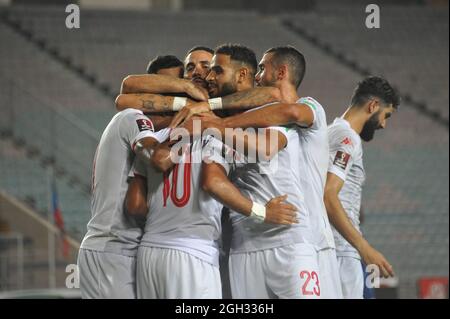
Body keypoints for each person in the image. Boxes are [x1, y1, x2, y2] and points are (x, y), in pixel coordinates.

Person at [127, 44, 297, 299]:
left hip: (150, 249)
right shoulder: (218, 127)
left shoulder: (155, 129)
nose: (205, 75)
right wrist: (263, 212)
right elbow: (213, 181)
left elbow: (136, 203)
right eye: (192, 68)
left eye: (211, 69)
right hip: (195, 251)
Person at [199, 46, 338, 298]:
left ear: (282, 72)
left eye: (262, 69)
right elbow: (212, 180)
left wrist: (215, 122)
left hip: (306, 238)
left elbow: (284, 114)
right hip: (249, 242)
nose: (258, 76)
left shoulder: (303, 109)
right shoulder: (257, 119)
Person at [324, 76, 400, 298]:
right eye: (386, 116)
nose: (384, 124)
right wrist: (363, 247)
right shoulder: (347, 138)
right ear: (373, 106)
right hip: (342, 251)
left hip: (330, 247)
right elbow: (328, 195)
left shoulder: (329, 133)